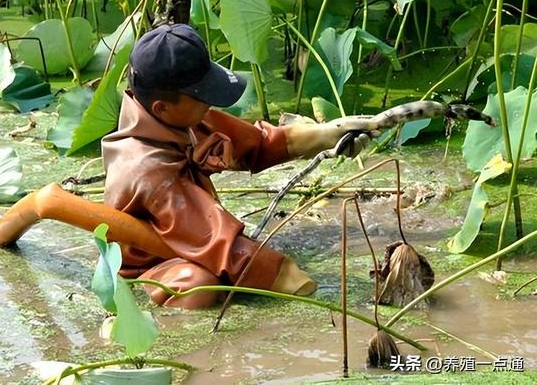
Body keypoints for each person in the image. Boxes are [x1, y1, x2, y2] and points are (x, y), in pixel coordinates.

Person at [101, 24, 379, 309]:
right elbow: (219, 244)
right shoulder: (149, 169)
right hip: (155, 264)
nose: (209, 103)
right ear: (162, 107)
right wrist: (302, 285)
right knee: (199, 285)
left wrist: (329, 134)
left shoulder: (176, 118)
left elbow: (256, 144)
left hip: (191, 236)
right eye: (201, 96)